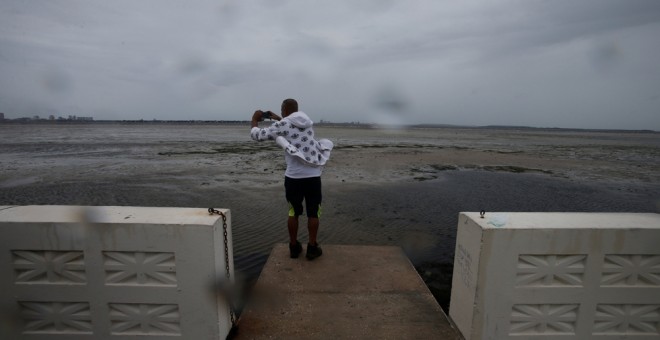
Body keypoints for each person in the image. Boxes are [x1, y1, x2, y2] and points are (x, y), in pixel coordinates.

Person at [250, 99, 333, 260]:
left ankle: (294, 247)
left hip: (294, 177)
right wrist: (278, 118)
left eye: (282, 111)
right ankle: (312, 247)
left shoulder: (282, 126)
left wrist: (254, 119)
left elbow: (257, 135)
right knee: (314, 213)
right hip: (313, 176)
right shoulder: (308, 123)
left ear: (284, 109)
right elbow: (294, 130)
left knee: (293, 212)